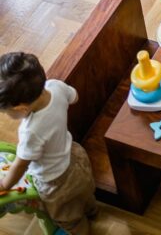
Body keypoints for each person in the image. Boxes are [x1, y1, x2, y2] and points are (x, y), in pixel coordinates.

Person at [0, 52, 97, 235]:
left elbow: (21, 164)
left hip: (56, 184)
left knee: (70, 219)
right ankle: (92, 210)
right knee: (85, 195)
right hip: (76, 157)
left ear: (21, 108)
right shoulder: (55, 86)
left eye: (6, 112)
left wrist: (5, 185)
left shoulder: (30, 131)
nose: (7, 115)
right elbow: (74, 97)